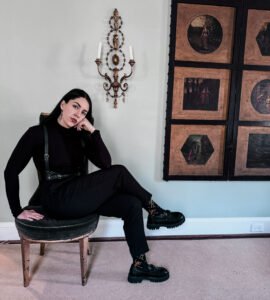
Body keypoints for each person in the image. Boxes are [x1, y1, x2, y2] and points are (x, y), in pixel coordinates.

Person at [4, 88, 185, 283]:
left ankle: (139, 266)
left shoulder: (80, 136)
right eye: (75, 106)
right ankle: (154, 211)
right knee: (120, 171)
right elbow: (10, 171)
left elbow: (105, 164)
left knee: (131, 204)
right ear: (63, 104)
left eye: (83, 112)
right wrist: (17, 210)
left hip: (80, 195)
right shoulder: (38, 133)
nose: (78, 114)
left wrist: (92, 132)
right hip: (57, 199)